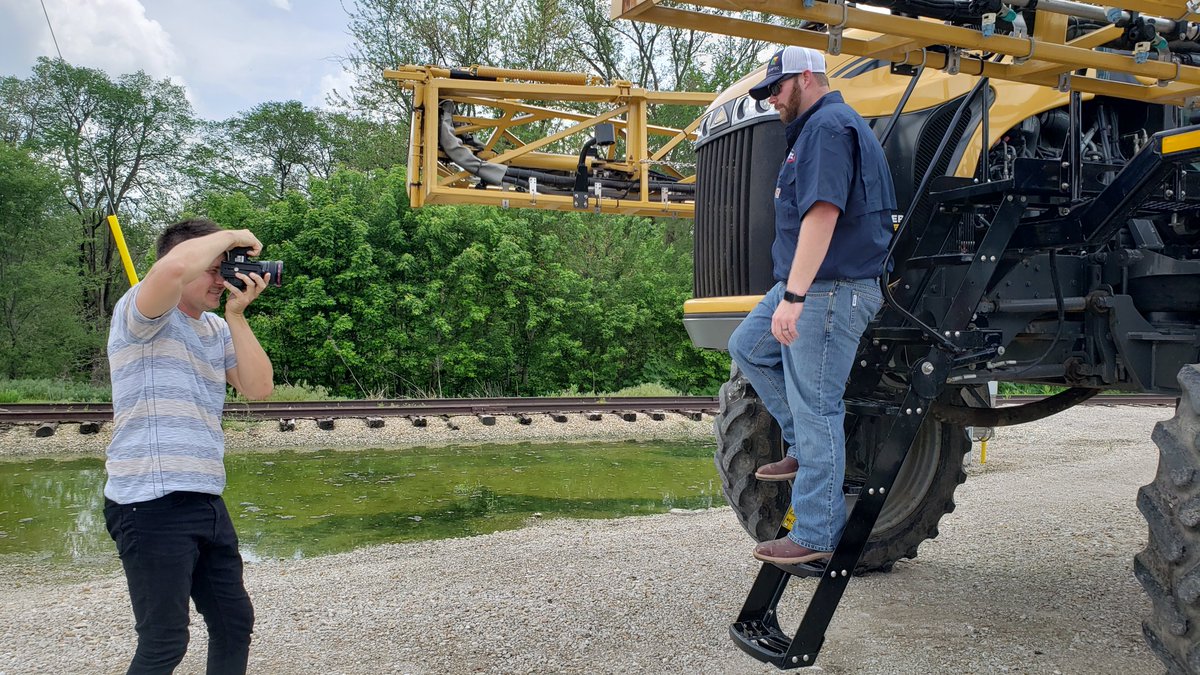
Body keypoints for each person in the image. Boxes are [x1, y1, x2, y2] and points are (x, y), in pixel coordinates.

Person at [728, 46, 896, 565]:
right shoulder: (819, 128)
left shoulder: (826, 127)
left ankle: (817, 533)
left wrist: (795, 297)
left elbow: (823, 214)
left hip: (830, 288)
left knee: (818, 405)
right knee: (748, 346)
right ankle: (803, 444)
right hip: (814, 282)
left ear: (806, 78)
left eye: (775, 89)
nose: (771, 100)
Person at [103, 219, 275, 674]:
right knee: (164, 642)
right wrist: (233, 237)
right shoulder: (142, 313)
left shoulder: (216, 330)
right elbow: (174, 268)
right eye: (215, 269)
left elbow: (258, 388)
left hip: (205, 497)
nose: (223, 279)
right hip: (148, 502)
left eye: (228, 269)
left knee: (234, 622)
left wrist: (236, 315)